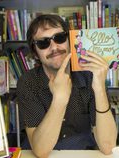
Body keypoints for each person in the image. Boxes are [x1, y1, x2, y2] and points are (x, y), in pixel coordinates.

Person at [16, 14, 117, 158]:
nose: (54, 47)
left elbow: (108, 147)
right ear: (35, 53)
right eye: (43, 43)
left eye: (59, 38)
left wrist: (99, 87)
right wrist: (59, 99)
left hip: (83, 153)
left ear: (70, 41)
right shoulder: (28, 82)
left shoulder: (89, 76)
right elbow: (41, 150)